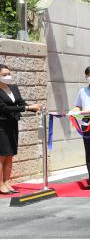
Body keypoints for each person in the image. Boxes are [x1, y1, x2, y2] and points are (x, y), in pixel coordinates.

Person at [0, 63, 42, 195]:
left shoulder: (13, 87)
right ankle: (0, 184)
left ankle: (7, 182)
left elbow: (21, 102)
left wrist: (32, 107)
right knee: (2, 156)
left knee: (10, 155)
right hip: (1, 126)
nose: (8, 76)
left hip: (13, 124)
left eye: (8, 74)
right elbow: (4, 108)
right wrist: (27, 108)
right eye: (4, 75)